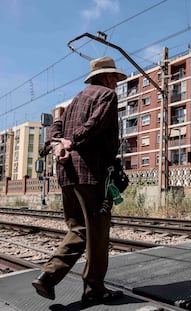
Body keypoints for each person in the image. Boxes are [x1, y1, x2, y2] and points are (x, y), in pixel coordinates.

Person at [32, 56, 127, 307]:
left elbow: (55, 126)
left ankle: (48, 277)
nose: (116, 84)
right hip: (90, 172)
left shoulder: (75, 100)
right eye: (115, 79)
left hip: (66, 173)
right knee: (97, 232)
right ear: (106, 78)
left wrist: (56, 144)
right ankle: (94, 289)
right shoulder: (107, 96)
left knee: (78, 228)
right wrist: (71, 141)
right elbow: (95, 124)